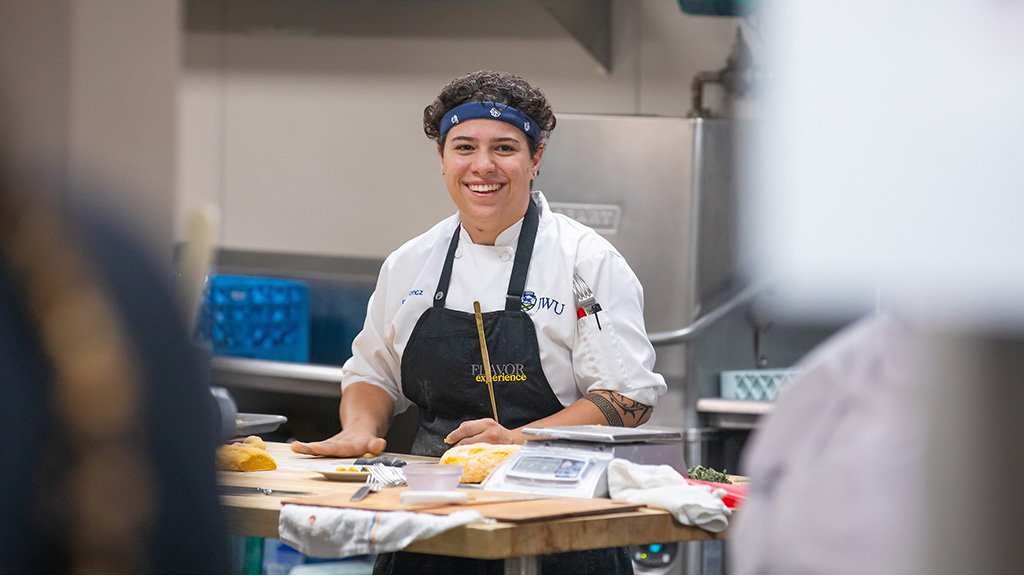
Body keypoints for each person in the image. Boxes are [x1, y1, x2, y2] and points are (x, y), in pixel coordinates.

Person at [292, 70, 667, 574]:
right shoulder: (410, 263)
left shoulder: (585, 262)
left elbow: (627, 398)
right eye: (464, 146)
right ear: (442, 159)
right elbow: (372, 373)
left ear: (536, 160)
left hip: (555, 513)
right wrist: (360, 428)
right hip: (430, 516)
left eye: (505, 148)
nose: (482, 166)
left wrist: (522, 439)